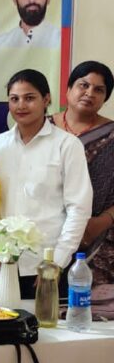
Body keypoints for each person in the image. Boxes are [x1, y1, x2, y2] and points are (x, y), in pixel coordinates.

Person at [0, 69, 93, 298]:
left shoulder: (67, 145)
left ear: (46, 100)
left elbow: (79, 208)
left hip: (46, 266)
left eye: (29, 98)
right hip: (4, 265)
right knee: (1, 320)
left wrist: (57, 262)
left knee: (46, 322)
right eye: (14, 99)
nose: (21, 105)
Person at [51, 60, 114, 284]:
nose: (89, 93)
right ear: (68, 89)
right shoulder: (41, 128)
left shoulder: (112, 134)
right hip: (45, 235)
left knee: (87, 303)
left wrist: (103, 221)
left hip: (99, 238)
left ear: (105, 98)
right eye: (83, 85)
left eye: (99, 90)